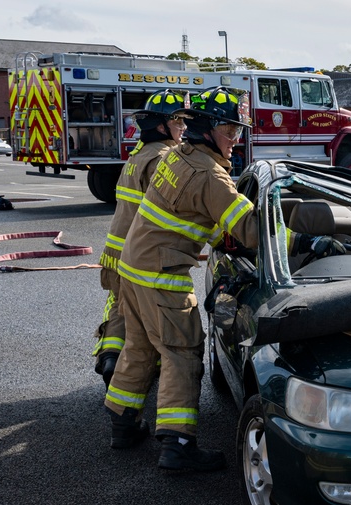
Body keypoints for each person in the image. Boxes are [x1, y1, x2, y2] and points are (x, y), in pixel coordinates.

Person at [104, 86, 258, 471]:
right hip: (161, 275)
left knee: (139, 347)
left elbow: (191, 214)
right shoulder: (209, 175)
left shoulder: (176, 157)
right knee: (181, 352)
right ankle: (178, 445)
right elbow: (253, 231)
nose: (236, 139)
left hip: (134, 269)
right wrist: (307, 237)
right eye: (230, 130)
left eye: (238, 131)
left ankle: (123, 425)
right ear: (206, 128)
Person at [93, 89, 190, 386]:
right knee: (144, 314)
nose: (184, 128)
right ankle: (132, 371)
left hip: (115, 250)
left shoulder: (137, 156)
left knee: (119, 307)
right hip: (140, 253)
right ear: (161, 125)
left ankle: (109, 359)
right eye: (178, 121)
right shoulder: (164, 159)